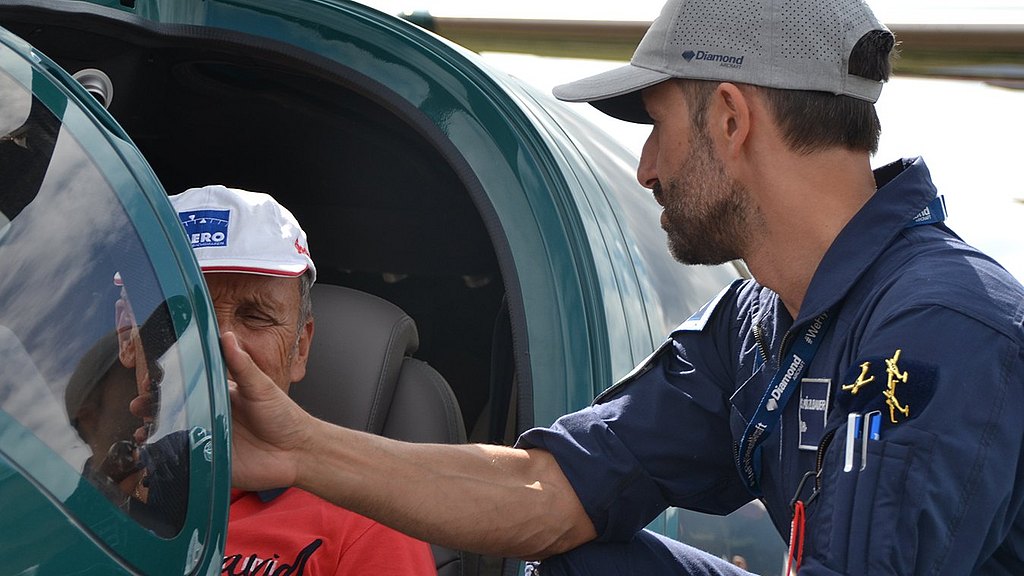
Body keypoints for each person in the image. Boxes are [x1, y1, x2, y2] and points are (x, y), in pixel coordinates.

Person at [222, 0, 1024, 574]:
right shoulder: (755, 325)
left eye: (657, 125)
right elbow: (546, 492)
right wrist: (297, 447)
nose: (646, 167)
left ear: (732, 120)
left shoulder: (941, 328)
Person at [169, 185, 436, 575]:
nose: (222, 345)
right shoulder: (66, 484)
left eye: (255, 317)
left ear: (300, 349)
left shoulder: (363, 524)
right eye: (187, 313)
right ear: (129, 337)